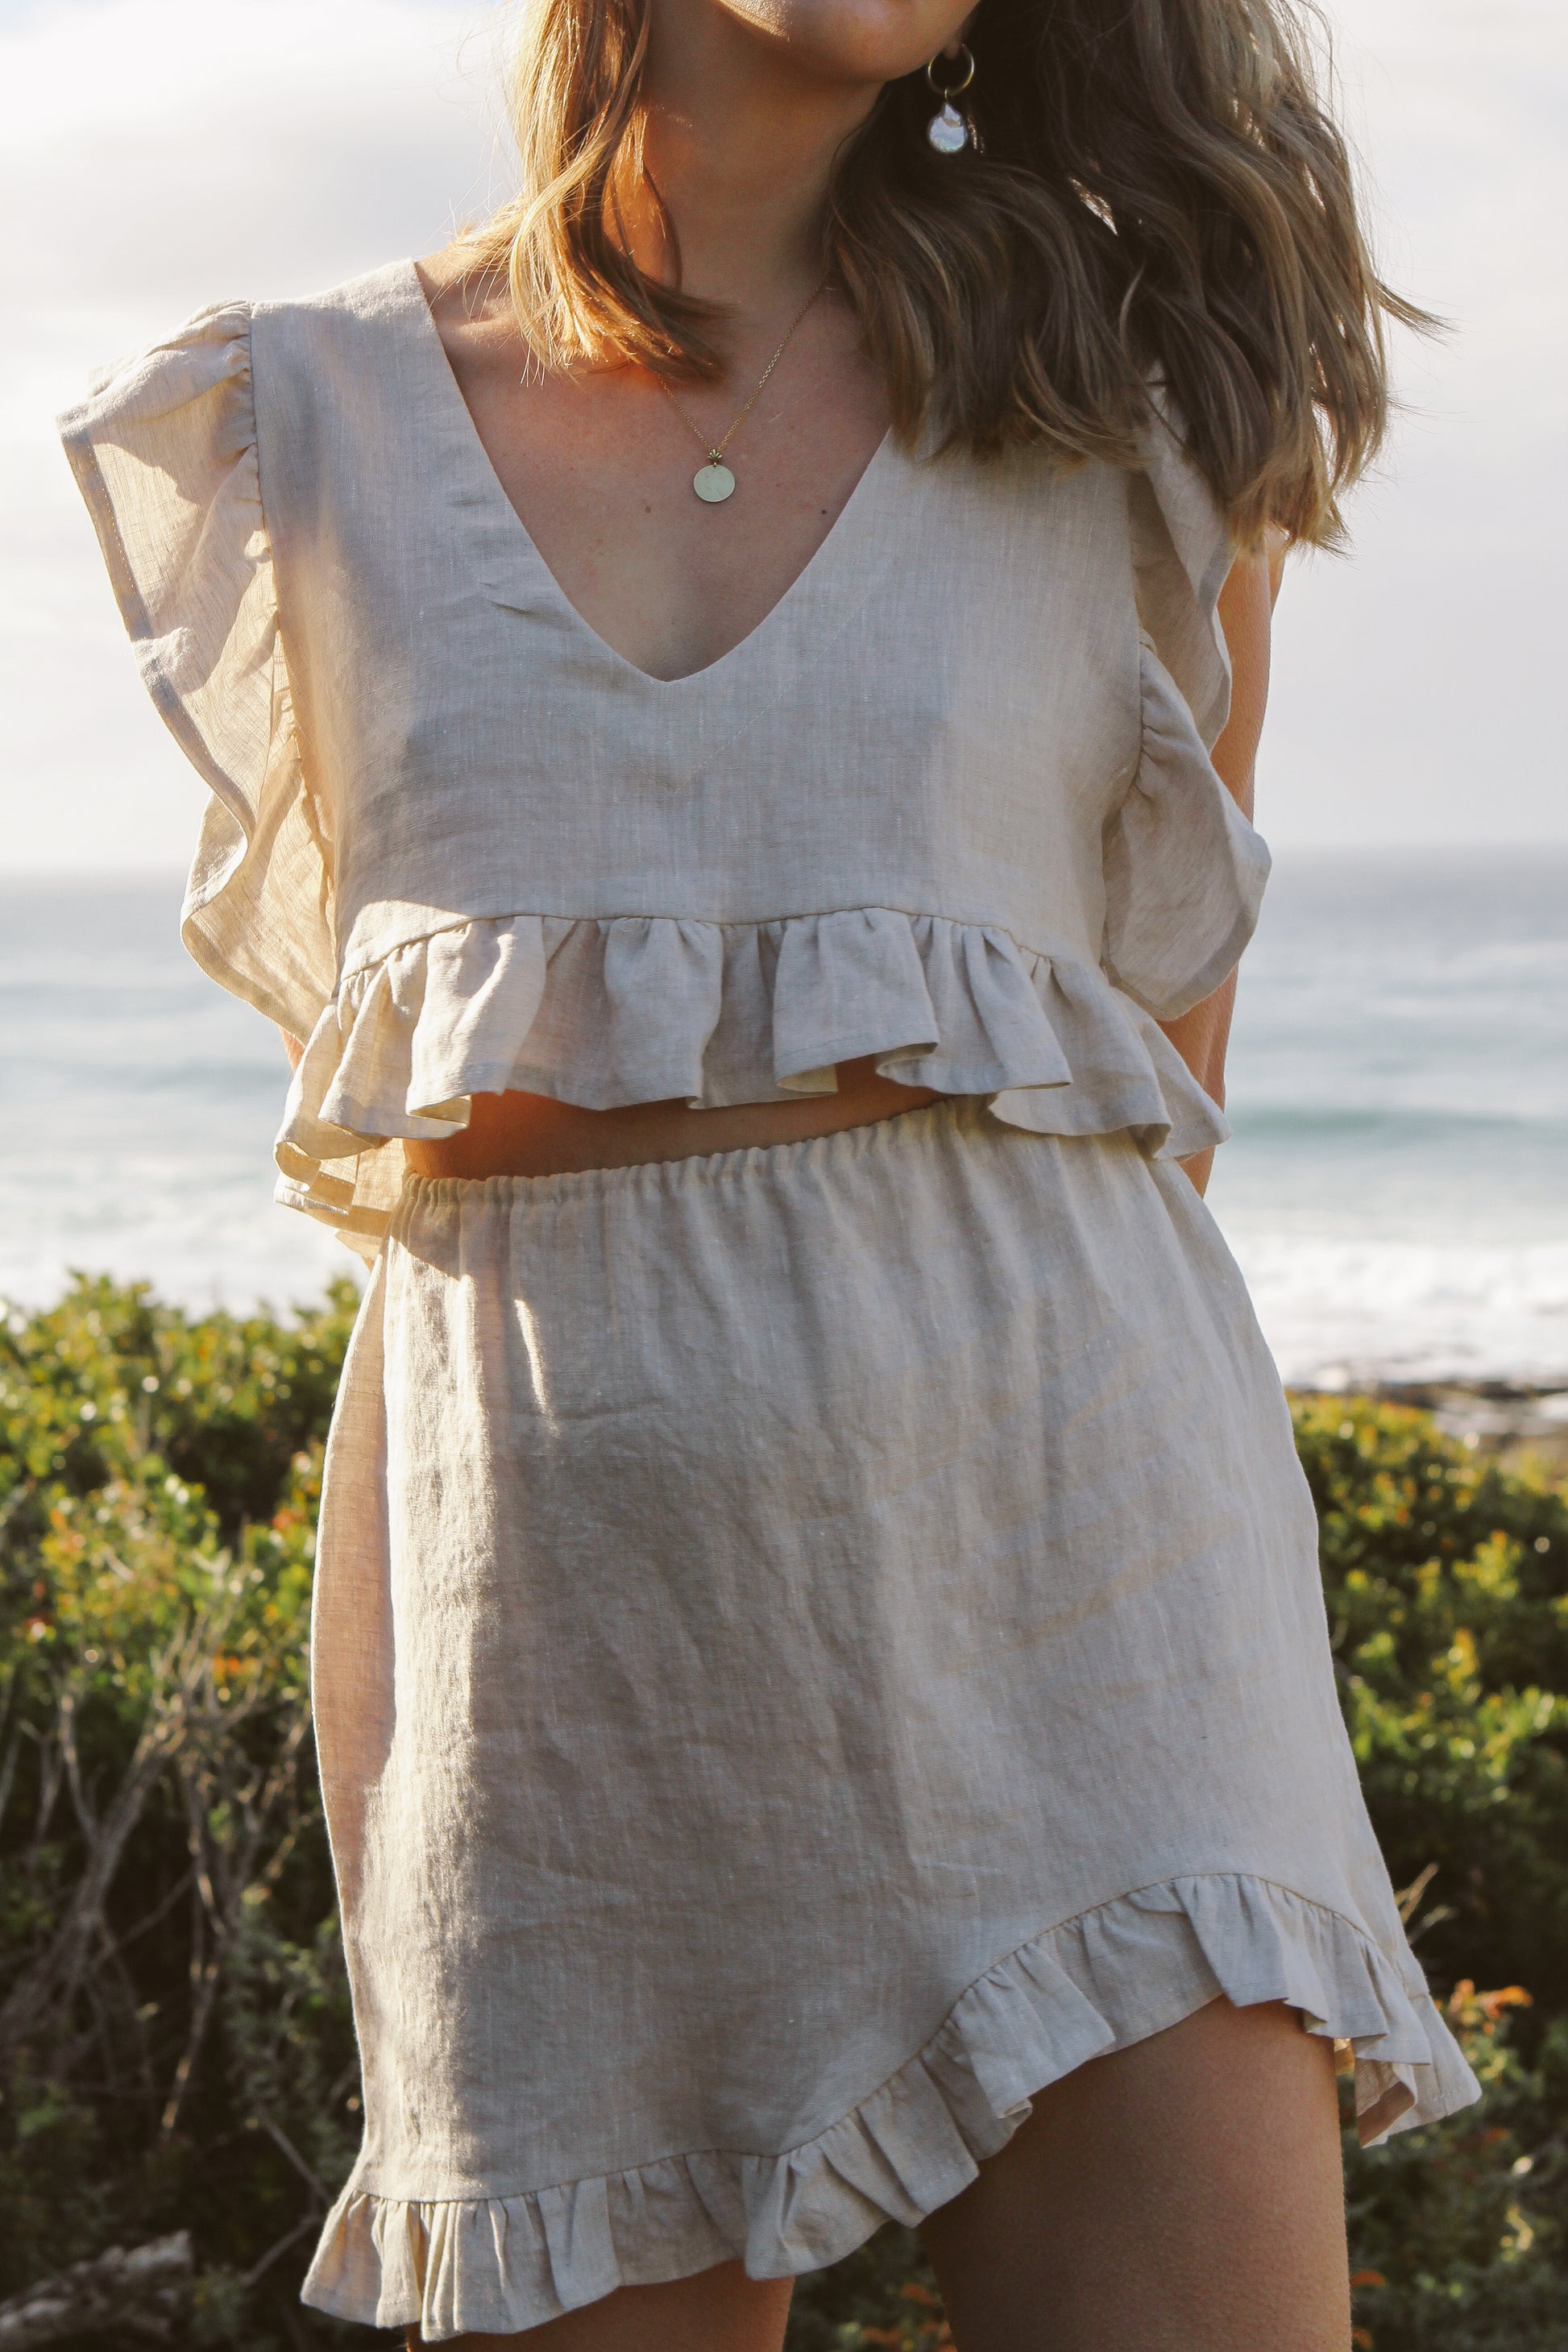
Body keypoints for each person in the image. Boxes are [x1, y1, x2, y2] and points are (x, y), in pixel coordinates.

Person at [58, 0, 1479, 2342]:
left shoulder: (1130, 402)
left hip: (1081, 1561)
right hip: (560, 1631)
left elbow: (1146, 1086)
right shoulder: (294, 421)